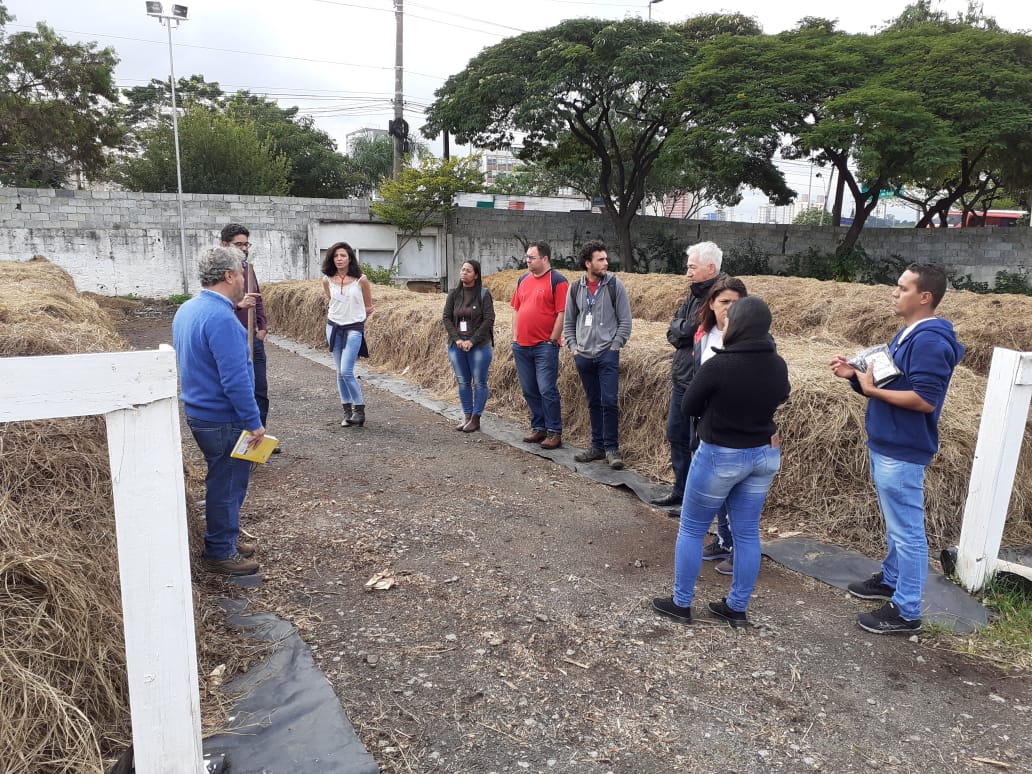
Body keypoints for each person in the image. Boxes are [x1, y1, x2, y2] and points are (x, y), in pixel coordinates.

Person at [831, 264, 964, 634]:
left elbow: (923, 399)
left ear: (925, 297)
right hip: (888, 442)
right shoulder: (909, 333)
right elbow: (891, 381)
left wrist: (872, 391)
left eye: (902, 288)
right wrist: (856, 378)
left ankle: (906, 611)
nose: (894, 292)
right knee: (897, 525)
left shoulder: (930, 341)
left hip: (902, 450)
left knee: (907, 532)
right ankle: (891, 579)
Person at [652, 296, 790, 627]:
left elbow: (688, 406)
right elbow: (782, 395)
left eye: (727, 321)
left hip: (720, 455)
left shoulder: (719, 364)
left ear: (737, 326)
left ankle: (681, 603)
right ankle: (736, 608)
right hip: (762, 456)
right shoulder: (777, 364)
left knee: (692, 528)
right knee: (746, 534)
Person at [172, 247, 265, 576]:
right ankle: (220, 552)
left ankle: (225, 536)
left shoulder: (187, 309)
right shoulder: (223, 318)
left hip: (199, 412)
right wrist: (254, 422)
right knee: (227, 484)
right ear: (228, 276)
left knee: (222, 480)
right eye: (240, 273)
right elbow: (236, 380)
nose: (243, 280)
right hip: (223, 417)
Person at [650, 241, 725, 513]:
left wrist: (684, 330)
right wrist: (684, 330)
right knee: (676, 434)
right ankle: (680, 491)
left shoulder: (723, 296)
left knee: (699, 444)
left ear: (711, 267)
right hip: (682, 378)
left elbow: (696, 328)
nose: (687, 272)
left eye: (692, 267)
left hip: (704, 383)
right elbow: (675, 330)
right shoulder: (692, 295)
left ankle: (698, 500)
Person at [690, 276, 749, 575]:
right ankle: (724, 540)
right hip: (709, 428)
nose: (729, 309)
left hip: (739, 433)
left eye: (736, 304)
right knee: (718, 492)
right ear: (711, 304)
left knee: (738, 495)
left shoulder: (753, 338)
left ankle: (741, 550)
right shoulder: (704, 336)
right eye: (724, 302)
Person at [562, 240, 632, 469]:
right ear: (587, 263)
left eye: (605, 258)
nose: (606, 263)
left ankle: (612, 449)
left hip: (606, 354)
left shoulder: (615, 286)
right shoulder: (575, 288)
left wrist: (615, 346)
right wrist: (574, 347)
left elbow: (625, 321)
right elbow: (569, 321)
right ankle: (597, 447)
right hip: (583, 355)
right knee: (593, 401)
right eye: (600, 259)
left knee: (609, 401)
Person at [220, 224, 277, 452]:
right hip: (232, 337)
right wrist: (237, 305)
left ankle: (258, 440)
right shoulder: (218, 272)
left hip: (254, 338)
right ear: (225, 245)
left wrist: (262, 326)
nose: (244, 248)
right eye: (239, 244)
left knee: (259, 390)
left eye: (246, 244)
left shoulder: (248, 269)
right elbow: (214, 305)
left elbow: (258, 299)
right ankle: (238, 439)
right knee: (237, 389)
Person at [511, 240, 568, 450]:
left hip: (545, 346)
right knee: (529, 389)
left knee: (546, 389)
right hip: (522, 345)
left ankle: (554, 431)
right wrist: (515, 336)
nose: (527, 260)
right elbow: (516, 308)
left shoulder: (558, 281)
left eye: (531, 257)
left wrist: (553, 339)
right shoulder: (523, 280)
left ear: (544, 259)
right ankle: (539, 427)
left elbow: (562, 312)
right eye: (527, 257)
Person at [322, 242, 374, 427]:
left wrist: (356, 319)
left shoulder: (361, 280)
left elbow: (369, 307)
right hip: (333, 326)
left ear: (350, 257)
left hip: (353, 328)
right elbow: (331, 300)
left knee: (346, 370)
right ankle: (347, 412)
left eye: (343, 255)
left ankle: (359, 409)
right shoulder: (327, 279)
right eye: (336, 256)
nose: (339, 259)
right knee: (339, 371)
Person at [443, 259, 495, 433]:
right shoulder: (453, 294)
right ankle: (466, 416)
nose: (463, 272)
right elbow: (446, 318)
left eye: (468, 270)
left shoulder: (483, 294)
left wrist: (472, 341)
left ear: (476, 275)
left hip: (479, 345)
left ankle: (476, 418)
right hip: (457, 344)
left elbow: (489, 319)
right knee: (463, 381)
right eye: (462, 269)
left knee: (479, 382)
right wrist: (457, 339)